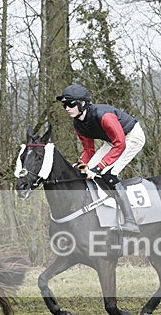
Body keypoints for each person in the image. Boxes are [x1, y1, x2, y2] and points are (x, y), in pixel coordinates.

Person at [56, 84, 143, 234]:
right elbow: (88, 149)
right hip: (113, 142)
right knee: (85, 172)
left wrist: (100, 167)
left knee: (107, 173)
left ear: (82, 103)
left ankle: (131, 221)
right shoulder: (78, 123)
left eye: (70, 104)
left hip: (131, 138)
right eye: (64, 105)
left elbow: (120, 144)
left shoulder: (105, 116)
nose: (67, 108)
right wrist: (81, 164)